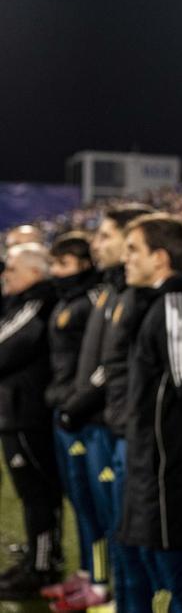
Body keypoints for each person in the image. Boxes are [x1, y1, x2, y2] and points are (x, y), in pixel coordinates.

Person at [58, 204, 152, 612]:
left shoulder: (131, 296)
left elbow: (114, 365)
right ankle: (111, 591)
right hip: (100, 423)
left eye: (106, 236)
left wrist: (78, 403)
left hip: (111, 426)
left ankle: (115, 594)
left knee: (125, 529)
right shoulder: (112, 291)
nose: (97, 244)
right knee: (106, 520)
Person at [119, 214, 182, 611]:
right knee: (165, 577)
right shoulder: (153, 303)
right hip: (151, 463)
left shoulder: (173, 305)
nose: (125, 259)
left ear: (159, 258)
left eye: (133, 250)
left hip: (170, 470)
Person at [43, 234, 105, 607]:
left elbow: (104, 361)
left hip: (85, 417)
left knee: (94, 504)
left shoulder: (94, 299)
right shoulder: (66, 300)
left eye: (63, 264)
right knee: (79, 500)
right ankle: (85, 572)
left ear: (83, 264)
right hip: (65, 413)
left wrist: (76, 405)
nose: (56, 272)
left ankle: (100, 581)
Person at [0, 243, 63, 599]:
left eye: (13, 268)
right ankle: (36, 561)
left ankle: (42, 569)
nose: (6, 274)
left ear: (35, 273)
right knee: (34, 494)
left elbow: (3, 347)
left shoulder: (36, 306)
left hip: (27, 416)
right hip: (18, 413)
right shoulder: (24, 304)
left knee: (37, 494)